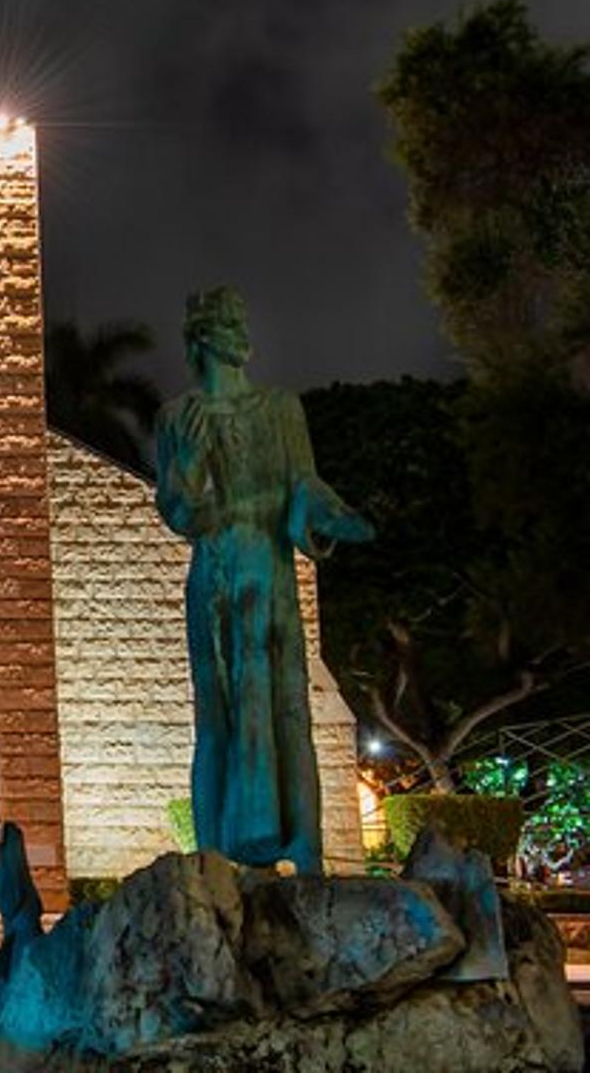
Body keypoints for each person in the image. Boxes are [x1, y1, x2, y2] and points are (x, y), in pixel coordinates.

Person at [155, 287, 372, 875]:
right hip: (218, 573)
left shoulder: (281, 409)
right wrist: (192, 465)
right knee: (218, 715)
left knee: (288, 707)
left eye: (241, 318)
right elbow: (178, 511)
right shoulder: (179, 418)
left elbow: (302, 485)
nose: (239, 329)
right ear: (202, 337)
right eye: (227, 321)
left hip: (270, 571)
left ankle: (306, 849)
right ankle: (213, 855)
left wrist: (330, 515)